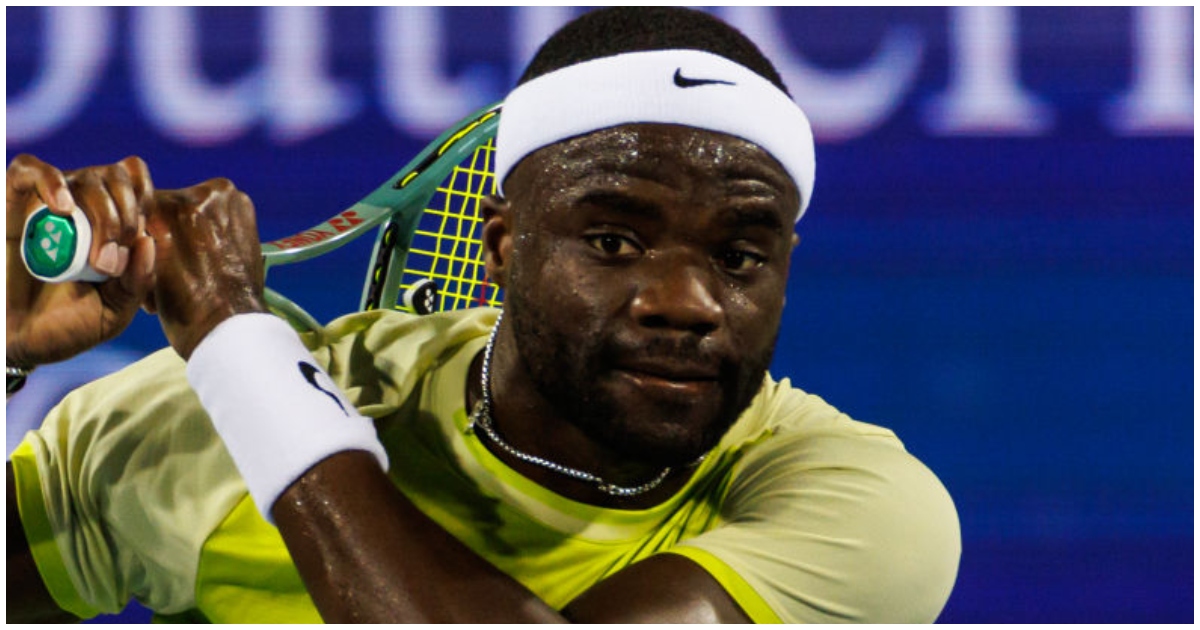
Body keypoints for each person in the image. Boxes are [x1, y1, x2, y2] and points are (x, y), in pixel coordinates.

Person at [6, 7, 960, 623]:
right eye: (615, 243)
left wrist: (237, 349)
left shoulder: (860, 513)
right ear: (502, 246)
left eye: (739, 256)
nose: (687, 304)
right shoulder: (189, 431)